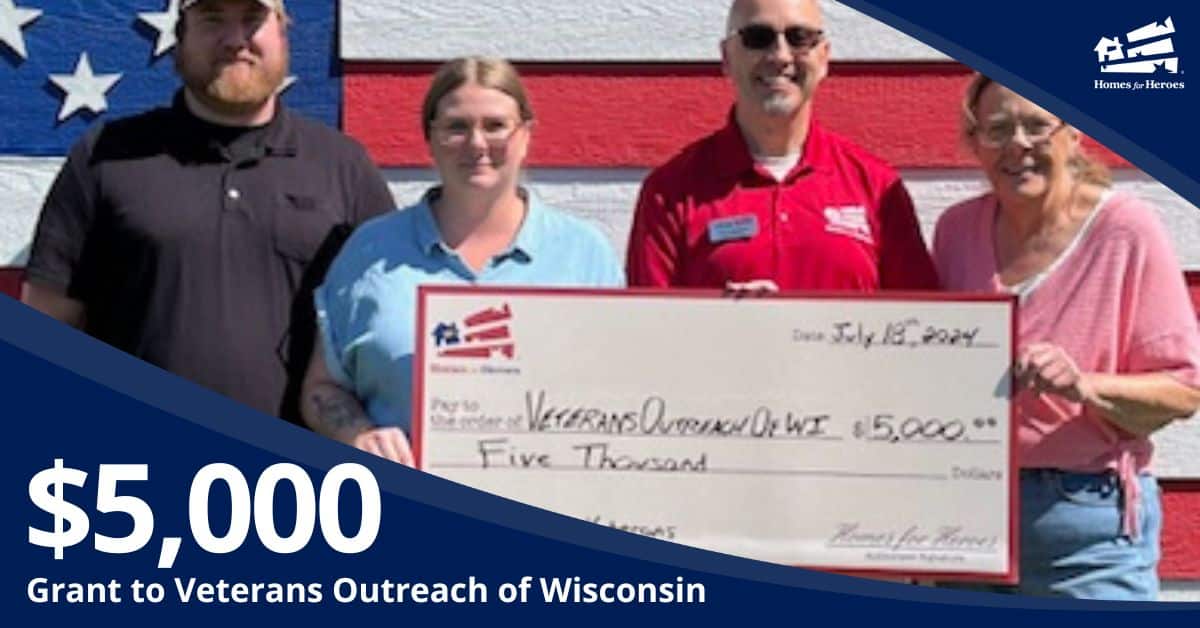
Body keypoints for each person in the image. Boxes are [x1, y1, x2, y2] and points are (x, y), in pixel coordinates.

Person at [22, 0, 395, 423]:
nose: (235, 40)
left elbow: (386, 331)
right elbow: (48, 327)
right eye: (213, 19)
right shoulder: (106, 156)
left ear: (282, 33)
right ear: (180, 36)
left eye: (253, 20)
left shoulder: (343, 166)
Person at [933, 74, 1200, 599]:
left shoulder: (1126, 230)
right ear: (975, 143)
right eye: (998, 129)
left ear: (1073, 135)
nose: (1018, 145)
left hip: (1086, 537)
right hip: (966, 524)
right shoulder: (956, 230)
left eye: (1036, 126)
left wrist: (1084, 385)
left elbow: (1184, 389)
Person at [301, 56, 623, 464]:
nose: (477, 144)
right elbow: (322, 389)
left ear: (525, 136)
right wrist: (359, 435)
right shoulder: (370, 253)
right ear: (430, 138)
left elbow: (620, 390)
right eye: (456, 127)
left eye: (495, 125)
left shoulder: (583, 254)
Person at [625, 0, 938, 292]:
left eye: (799, 37)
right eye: (758, 37)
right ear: (727, 58)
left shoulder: (877, 188)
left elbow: (918, 329)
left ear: (824, 57)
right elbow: (650, 333)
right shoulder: (670, 193)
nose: (780, 56)